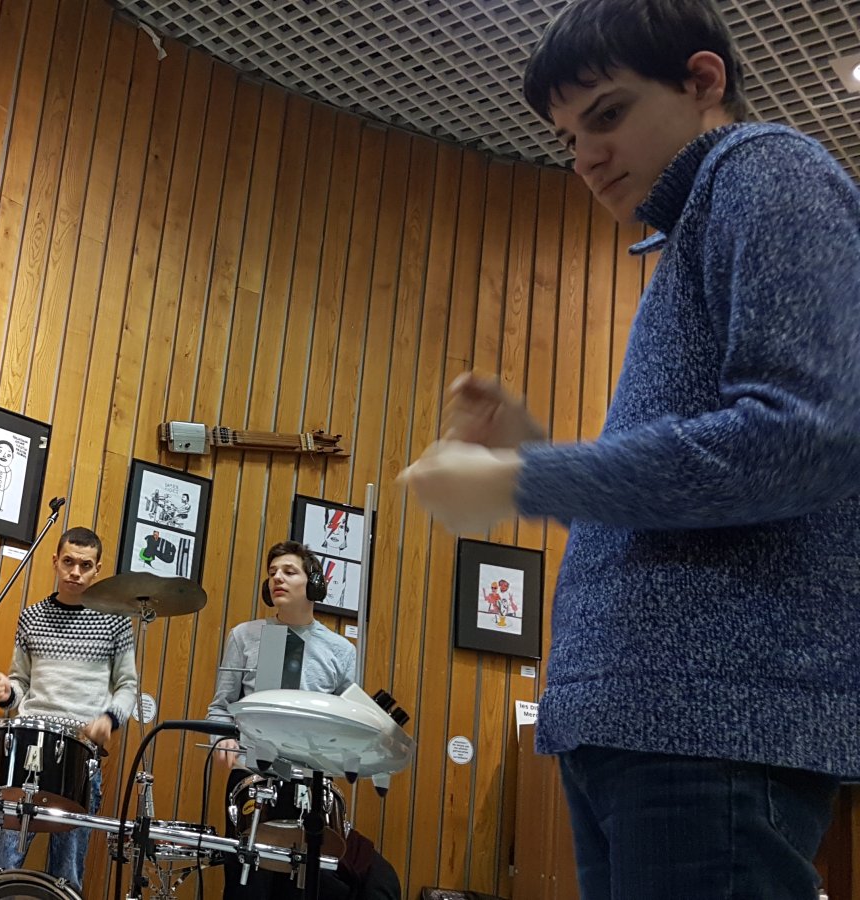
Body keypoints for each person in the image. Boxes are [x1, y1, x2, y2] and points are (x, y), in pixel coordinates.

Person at [402, 1, 860, 897]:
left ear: (702, 80)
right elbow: (688, 501)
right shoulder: (692, 226)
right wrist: (536, 451)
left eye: (606, 114)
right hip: (643, 722)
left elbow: (803, 440)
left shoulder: (765, 168)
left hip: (711, 723)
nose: (585, 157)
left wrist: (523, 477)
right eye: (568, 138)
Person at [207, 540, 398, 899]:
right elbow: (220, 707)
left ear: (314, 583)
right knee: (248, 886)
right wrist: (223, 738)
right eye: (272, 573)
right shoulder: (245, 636)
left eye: (289, 571)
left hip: (311, 781)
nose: (277, 578)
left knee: (301, 888)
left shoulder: (341, 650)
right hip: (253, 775)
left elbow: (346, 723)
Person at [0, 526, 137, 891]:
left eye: (85, 565)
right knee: (2, 865)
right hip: (28, 746)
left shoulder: (116, 621)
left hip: (81, 750)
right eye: (68, 562)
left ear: (97, 569)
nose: (75, 572)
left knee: (66, 874)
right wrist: (5, 693)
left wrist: (109, 718)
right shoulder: (31, 617)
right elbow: (20, 685)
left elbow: (128, 686)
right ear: (55, 562)